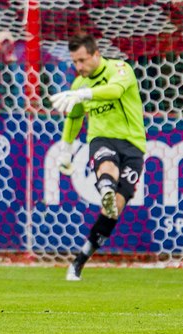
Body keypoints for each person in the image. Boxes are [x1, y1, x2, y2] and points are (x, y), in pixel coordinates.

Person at [50, 33, 146, 281]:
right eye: (75, 62)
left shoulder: (120, 69)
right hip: (101, 138)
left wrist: (84, 95)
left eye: (82, 60)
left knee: (115, 210)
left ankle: (80, 260)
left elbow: (114, 91)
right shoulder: (79, 85)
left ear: (96, 54)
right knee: (106, 163)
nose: (78, 67)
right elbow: (74, 118)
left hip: (133, 144)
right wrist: (66, 150)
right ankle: (105, 190)